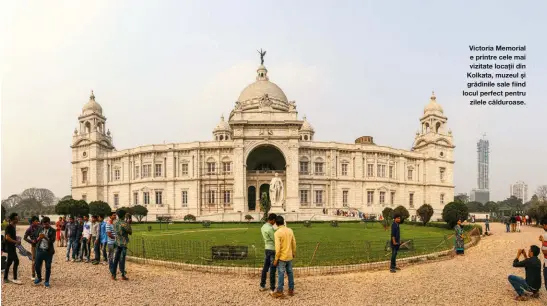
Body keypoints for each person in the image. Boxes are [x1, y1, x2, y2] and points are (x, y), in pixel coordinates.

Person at [272, 215, 296, 298]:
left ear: (276, 224)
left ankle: (280, 291)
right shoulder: (290, 230)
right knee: (290, 273)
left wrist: (276, 259)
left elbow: (277, 248)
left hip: (282, 257)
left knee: (281, 273)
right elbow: (294, 243)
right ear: (283, 222)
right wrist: (293, 252)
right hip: (289, 256)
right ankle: (291, 290)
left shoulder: (277, 233)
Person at [33, 217, 56, 288]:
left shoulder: (53, 230)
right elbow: (35, 238)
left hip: (48, 252)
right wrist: (38, 238)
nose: (45, 226)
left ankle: (46, 281)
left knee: (48, 267)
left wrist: (45, 237)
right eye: (44, 224)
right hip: (39, 250)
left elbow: (52, 241)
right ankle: (39, 278)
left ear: (49, 223)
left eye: (47, 224)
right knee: (36, 266)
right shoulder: (40, 229)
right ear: (42, 224)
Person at [112, 209, 132, 280]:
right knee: (122, 259)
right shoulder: (124, 224)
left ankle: (113, 274)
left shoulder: (114, 222)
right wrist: (129, 223)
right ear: (123, 215)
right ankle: (123, 274)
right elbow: (130, 232)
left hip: (117, 242)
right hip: (123, 243)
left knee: (116, 259)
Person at [260, 213, 277, 293]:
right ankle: (272, 288)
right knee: (272, 269)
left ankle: (262, 285)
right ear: (273, 220)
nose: (275, 222)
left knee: (265, 268)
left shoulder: (263, 227)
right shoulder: (270, 229)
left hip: (266, 248)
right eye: (275, 221)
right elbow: (275, 239)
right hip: (272, 249)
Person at [3, 213, 22, 284]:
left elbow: (11, 236)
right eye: (16, 219)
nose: (17, 220)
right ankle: (15, 278)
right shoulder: (9, 227)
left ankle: (5, 278)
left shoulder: (13, 226)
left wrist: (17, 239)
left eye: (17, 218)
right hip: (9, 247)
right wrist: (16, 241)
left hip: (12, 247)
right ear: (12, 219)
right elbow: (7, 237)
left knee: (9, 262)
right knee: (16, 261)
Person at [23, 216, 41, 280]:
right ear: (33, 222)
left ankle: (39, 275)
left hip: (40, 246)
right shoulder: (29, 229)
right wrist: (31, 241)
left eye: (38, 221)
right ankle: (33, 275)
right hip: (34, 247)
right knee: (34, 261)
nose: (37, 222)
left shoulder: (40, 227)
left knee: (40, 260)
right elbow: (24, 238)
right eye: (36, 221)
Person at [106, 211, 117, 278]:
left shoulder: (114, 223)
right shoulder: (108, 223)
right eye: (113, 215)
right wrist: (116, 238)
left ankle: (113, 269)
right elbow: (109, 234)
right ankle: (112, 270)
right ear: (110, 216)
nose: (115, 216)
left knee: (115, 256)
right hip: (111, 243)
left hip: (115, 242)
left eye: (115, 215)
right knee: (111, 256)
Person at [538, 218, 547, 290]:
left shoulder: (545, 235)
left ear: (545, 225)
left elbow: (545, 251)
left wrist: (543, 241)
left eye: (543, 225)